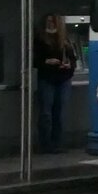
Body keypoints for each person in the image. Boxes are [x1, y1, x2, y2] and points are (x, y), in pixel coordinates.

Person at [33, 14, 76, 153]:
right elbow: (34, 60)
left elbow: (73, 60)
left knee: (59, 112)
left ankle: (56, 143)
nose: (50, 24)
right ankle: (46, 143)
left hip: (62, 78)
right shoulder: (40, 39)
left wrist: (69, 65)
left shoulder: (64, 41)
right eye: (48, 21)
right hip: (47, 78)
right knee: (46, 113)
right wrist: (47, 61)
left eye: (52, 21)